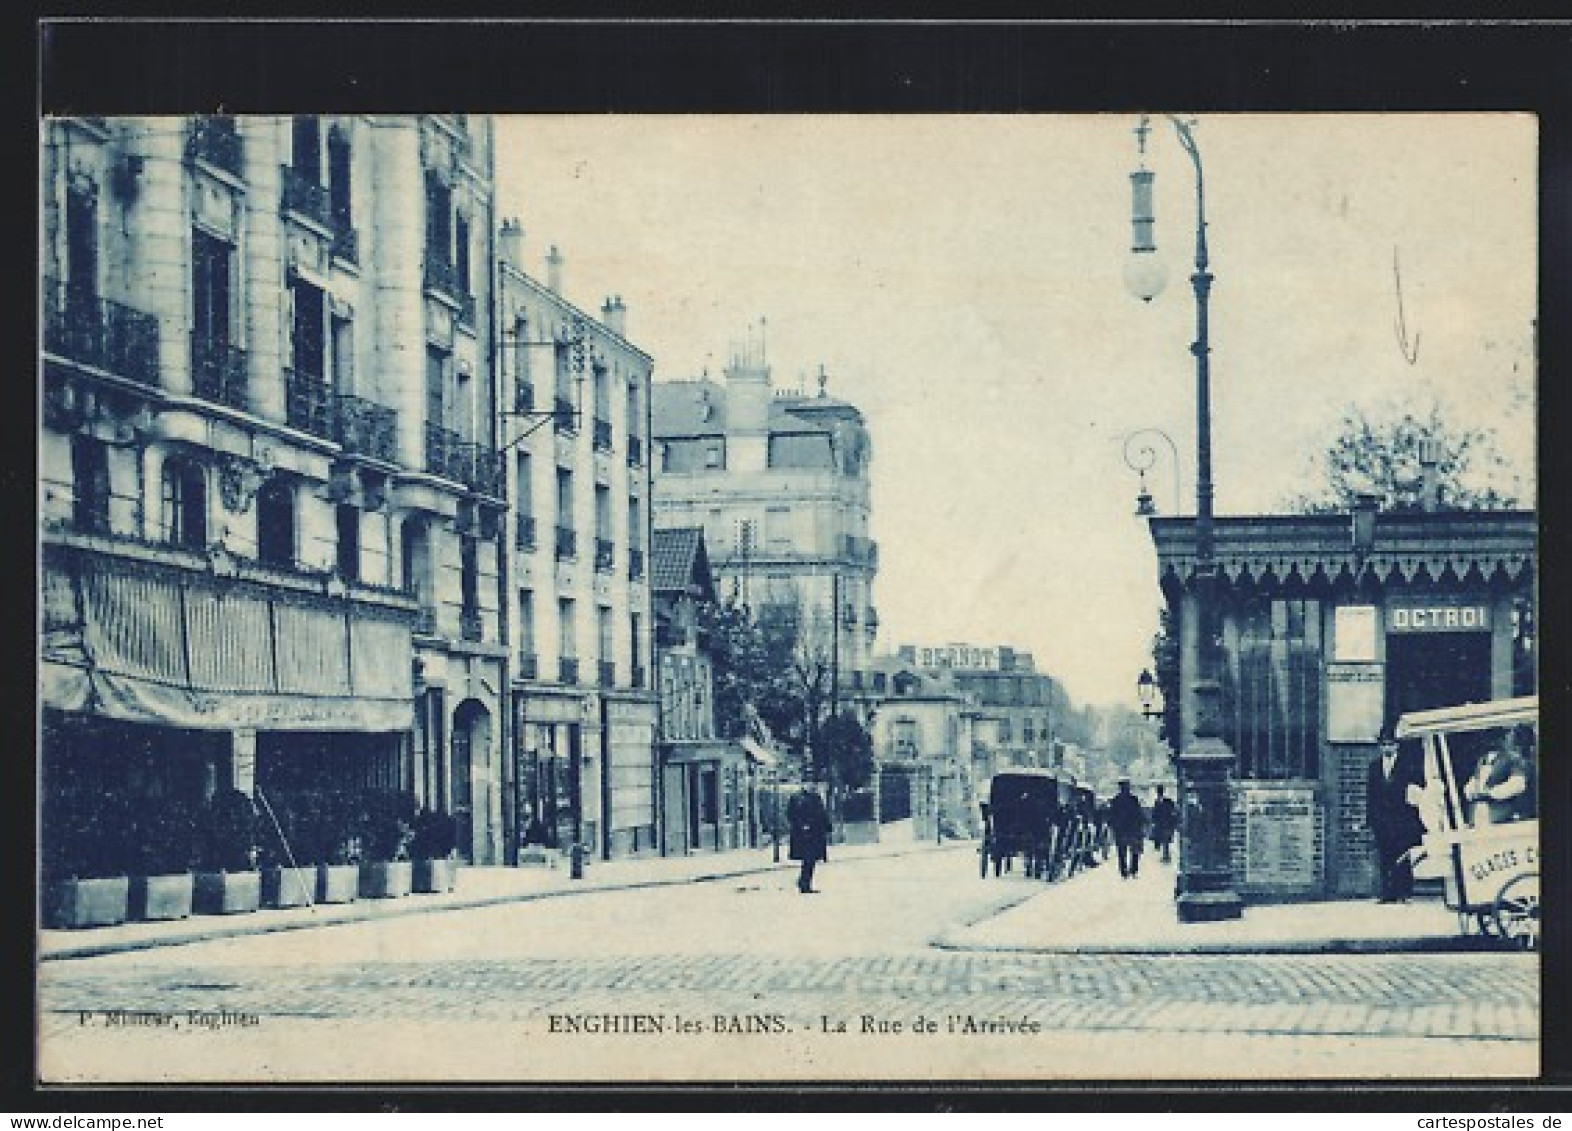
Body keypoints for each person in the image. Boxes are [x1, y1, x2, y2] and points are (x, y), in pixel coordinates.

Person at [1367, 722, 1425, 903]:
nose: (1387, 748)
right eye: (1384, 744)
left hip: (1402, 818)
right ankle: (1387, 893)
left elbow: (1417, 789)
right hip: (1382, 819)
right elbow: (1371, 794)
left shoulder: (1408, 765)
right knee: (1385, 856)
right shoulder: (1374, 767)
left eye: (1391, 744)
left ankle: (1404, 892)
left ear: (1397, 745)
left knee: (1403, 855)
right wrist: (1371, 819)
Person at [1464, 732, 1532, 827]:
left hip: (1501, 818)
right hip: (1479, 817)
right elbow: (1474, 780)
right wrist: (1470, 790)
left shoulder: (1512, 759)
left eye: (1495, 738)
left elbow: (1518, 784)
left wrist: (1491, 793)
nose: (1490, 742)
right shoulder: (1482, 760)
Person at [786, 782, 831, 894]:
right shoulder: (798, 798)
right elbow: (791, 814)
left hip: (813, 833)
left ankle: (804, 882)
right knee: (808, 859)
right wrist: (801, 825)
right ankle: (804, 883)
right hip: (804, 834)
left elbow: (822, 814)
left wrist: (827, 827)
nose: (811, 786)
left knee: (810, 860)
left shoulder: (815, 797)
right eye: (809, 784)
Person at [1107, 778, 1147, 880]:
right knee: (1134, 851)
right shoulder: (1134, 799)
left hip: (1121, 830)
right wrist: (1141, 825)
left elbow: (1111, 815)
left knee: (1122, 852)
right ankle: (1133, 870)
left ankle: (1124, 872)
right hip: (1133, 829)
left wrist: (1113, 826)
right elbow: (1139, 814)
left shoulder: (1116, 800)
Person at [1149, 784, 1178, 864]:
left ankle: (1165, 855)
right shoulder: (1167, 801)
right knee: (1165, 841)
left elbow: (1155, 814)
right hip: (1166, 824)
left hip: (1163, 824)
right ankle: (1166, 855)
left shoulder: (1159, 802)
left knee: (1164, 840)